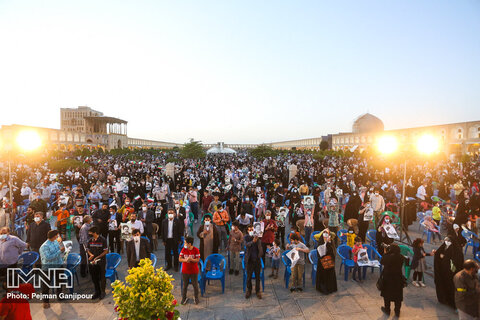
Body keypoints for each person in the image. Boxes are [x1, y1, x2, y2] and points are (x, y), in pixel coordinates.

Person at [434, 236, 464, 309]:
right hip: (443, 272)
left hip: (451, 274)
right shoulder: (444, 247)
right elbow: (438, 254)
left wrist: (444, 257)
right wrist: (438, 256)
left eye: (448, 240)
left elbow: (457, 261)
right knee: (443, 285)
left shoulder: (457, 250)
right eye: (445, 240)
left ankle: (452, 302)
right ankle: (444, 299)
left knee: (451, 287)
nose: (446, 242)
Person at [39, 230, 65, 309]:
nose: (58, 237)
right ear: (54, 236)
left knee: (59, 281)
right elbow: (48, 257)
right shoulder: (44, 246)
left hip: (58, 265)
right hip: (48, 268)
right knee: (46, 285)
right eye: (57, 235)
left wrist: (62, 249)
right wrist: (59, 251)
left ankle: (59, 295)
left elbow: (60, 250)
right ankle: (45, 301)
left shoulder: (56, 242)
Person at [380, 243, 405, 317]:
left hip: (388, 278)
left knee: (387, 295)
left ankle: (387, 310)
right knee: (398, 296)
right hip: (398, 278)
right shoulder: (401, 257)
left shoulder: (387, 256)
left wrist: (385, 252)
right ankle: (397, 311)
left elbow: (382, 262)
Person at [86, 226, 108, 300]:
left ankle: (102, 292)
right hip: (92, 262)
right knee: (94, 277)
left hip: (101, 262)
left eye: (91, 232)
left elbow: (105, 251)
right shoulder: (90, 240)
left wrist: (97, 257)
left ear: (95, 233)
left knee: (102, 276)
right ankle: (97, 291)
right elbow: (87, 249)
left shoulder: (103, 240)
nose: (89, 234)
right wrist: (91, 255)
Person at [179, 236, 200, 305]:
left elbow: (197, 260)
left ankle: (196, 297)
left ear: (189, 244)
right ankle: (184, 298)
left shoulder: (196, 250)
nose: (184, 244)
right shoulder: (183, 250)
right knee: (185, 286)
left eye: (185, 243)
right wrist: (185, 260)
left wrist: (191, 260)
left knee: (195, 285)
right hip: (185, 271)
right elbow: (180, 259)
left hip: (193, 271)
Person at [244, 225, 263, 299]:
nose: (251, 231)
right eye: (249, 230)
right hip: (250, 260)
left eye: (252, 229)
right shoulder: (246, 237)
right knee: (249, 277)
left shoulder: (257, 237)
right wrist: (252, 241)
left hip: (257, 260)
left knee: (258, 277)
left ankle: (257, 290)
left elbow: (260, 248)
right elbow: (246, 245)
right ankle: (249, 290)